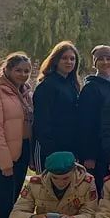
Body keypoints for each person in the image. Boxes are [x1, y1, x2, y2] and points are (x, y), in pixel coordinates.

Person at [0, 52, 35, 218]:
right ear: (7, 70)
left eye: (26, 71)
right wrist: (4, 163)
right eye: (18, 70)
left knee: (14, 203)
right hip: (3, 159)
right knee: (4, 204)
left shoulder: (27, 95)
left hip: (22, 154)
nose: (22, 74)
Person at [10, 150, 98, 218]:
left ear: (74, 170)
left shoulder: (86, 182)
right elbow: (14, 216)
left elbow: (91, 215)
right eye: (55, 178)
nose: (60, 183)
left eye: (65, 178)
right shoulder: (36, 184)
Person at [32, 41, 81, 170]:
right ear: (55, 60)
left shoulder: (73, 85)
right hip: (49, 149)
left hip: (68, 148)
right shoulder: (46, 86)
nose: (69, 62)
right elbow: (41, 121)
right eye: (64, 58)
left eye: (72, 59)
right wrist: (51, 149)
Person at [77, 45, 110, 193]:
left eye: (108, 59)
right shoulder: (90, 88)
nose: (105, 62)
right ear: (95, 63)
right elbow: (85, 124)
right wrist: (89, 155)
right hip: (97, 151)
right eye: (101, 59)